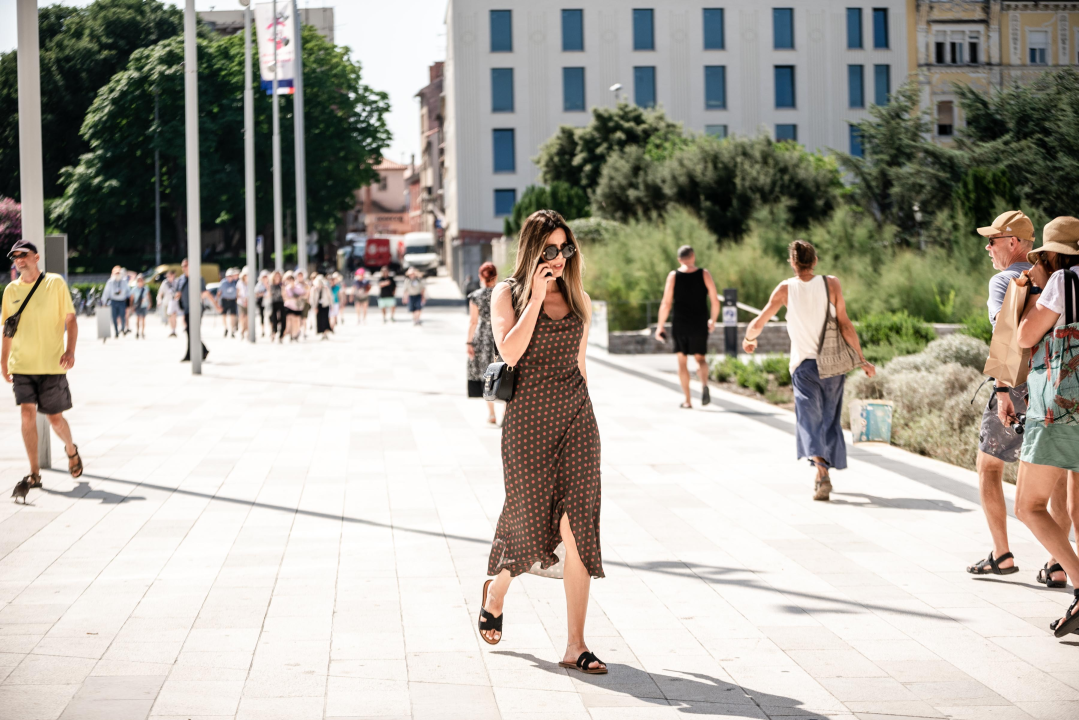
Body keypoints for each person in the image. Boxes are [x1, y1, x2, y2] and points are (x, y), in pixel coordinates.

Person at [479, 210, 607, 675]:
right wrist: (534, 297)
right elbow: (509, 352)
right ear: (533, 249)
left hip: (576, 420)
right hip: (529, 425)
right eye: (550, 249)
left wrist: (590, 417)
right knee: (529, 524)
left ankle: (576, 645)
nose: (558, 258)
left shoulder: (579, 299)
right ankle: (496, 591)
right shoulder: (505, 294)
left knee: (577, 530)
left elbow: (580, 363)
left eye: (565, 249)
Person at [964, 211, 1068, 583]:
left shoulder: (1004, 280)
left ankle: (1001, 553)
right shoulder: (1054, 279)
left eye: (992, 240)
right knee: (1055, 476)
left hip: (1016, 383)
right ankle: (1058, 564)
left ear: (1013, 242)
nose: (988, 247)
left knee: (988, 466)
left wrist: (1002, 388)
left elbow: (1005, 335)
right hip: (1056, 384)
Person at [743, 240, 875, 501]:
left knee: (808, 419)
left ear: (792, 263)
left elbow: (759, 322)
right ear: (814, 261)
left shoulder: (785, 289)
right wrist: (862, 359)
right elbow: (846, 325)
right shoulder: (831, 283)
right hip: (834, 366)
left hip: (804, 367)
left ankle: (822, 472)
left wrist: (749, 340)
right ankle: (821, 472)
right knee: (828, 418)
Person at [1015, 216, 1079, 638]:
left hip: (1062, 407)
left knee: (1028, 505)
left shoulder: (1063, 284)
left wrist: (1036, 288)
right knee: (1077, 510)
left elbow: (1024, 336)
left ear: (1053, 254)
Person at [1, 239, 83, 493]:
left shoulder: (55, 283)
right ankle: (34, 472)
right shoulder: (10, 291)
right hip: (22, 365)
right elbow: (8, 329)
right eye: (15, 256)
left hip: (52, 364)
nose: (18, 259)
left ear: (36, 258)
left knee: (54, 418)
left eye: (23, 255)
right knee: (26, 414)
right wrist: (3, 361)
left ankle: (71, 449)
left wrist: (70, 350)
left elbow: (70, 320)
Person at [654, 245, 720, 408]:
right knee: (701, 358)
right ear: (693, 257)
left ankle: (688, 400)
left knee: (682, 361)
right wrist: (713, 319)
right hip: (699, 323)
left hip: (680, 324)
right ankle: (704, 384)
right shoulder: (704, 274)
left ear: (679, 260)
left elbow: (666, 303)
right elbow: (714, 299)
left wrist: (660, 326)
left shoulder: (673, 275)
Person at [466, 261, 501, 424]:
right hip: (500, 335)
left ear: (481, 276)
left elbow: (473, 322)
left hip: (482, 337)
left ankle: (492, 414)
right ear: (496, 276)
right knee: (504, 372)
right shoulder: (503, 294)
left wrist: (469, 342)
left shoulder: (476, 296)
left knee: (486, 375)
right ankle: (507, 411)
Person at [176, 259, 218, 362]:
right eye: (183, 266)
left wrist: (216, 305)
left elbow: (205, 293)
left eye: (186, 265)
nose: (184, 268)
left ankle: (191, 354)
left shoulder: (198, 278)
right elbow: (177, 294)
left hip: (196, 310)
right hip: (186, 309)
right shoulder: (180, 280)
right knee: (189, 332)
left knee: (192, 332)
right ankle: (202, 350)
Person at [103, 265, 130, 338]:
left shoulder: (124, 281)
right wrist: (104, 302)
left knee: (122, 316)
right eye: (116, 273)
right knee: (114, 317)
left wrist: (128, 303)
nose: (117, 275)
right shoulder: (110, 282)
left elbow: (128, 292)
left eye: (119, 273)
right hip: (114, 301)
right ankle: (116, 331)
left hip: (122, 301)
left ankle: (123, 328)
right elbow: (106, 292)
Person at [217, 268, 240, 338]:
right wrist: (217, 302)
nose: (230, 277)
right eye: (228, 276)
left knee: (232, 316)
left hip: (232, 300)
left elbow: (238, 292)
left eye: (231, 276)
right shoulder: (223, 283)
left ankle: (232, 330)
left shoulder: (235, 282)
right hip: (225, 300)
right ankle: (226, 328)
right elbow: (219, 293)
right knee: (224, 315)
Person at [157, 269, 179, 337]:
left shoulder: (176, 282)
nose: (169, 277)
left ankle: (174, 330)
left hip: (174, 302)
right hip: (167, 302)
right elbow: (160, 293)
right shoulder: (165, 283)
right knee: (169, 317)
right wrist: (159, 300)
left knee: (174, 316)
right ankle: (172, 329)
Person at [130, 275, 151, 339]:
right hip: (137, 305)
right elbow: (132, 298)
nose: (140, 282)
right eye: (138, 280)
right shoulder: (134, 289)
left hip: (144, 305)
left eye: (141, 280)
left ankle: (142, 332)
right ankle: (137, 332)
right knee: (138, 319)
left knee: (143, 319)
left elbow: (148, 296)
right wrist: (131, 306)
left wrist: (149, 303)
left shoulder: (146, 288)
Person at [313, 274, 333, 338]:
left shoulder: (326, 288)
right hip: (318, 306)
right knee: (319, 319)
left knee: (325, 319)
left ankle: (325, 332)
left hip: (325, 305)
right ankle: (321, 332)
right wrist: (314, 307)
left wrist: (331, 305)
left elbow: (330, 297)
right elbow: (312, 299)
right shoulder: (314, 289)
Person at [268, 270, 285, 342]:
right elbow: (269, 294)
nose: (277, 277)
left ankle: (281, 335)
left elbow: (284, 295)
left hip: (281, 303)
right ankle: (273, 332)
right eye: (276, 276)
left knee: (283, 319)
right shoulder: (271, 285)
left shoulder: (282, 284)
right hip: (273, 303)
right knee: (273, 319)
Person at [255, 270, 269, 337]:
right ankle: (263, 330)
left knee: (270, 316)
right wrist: (262, 294)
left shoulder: (270, 283)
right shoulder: (259, 285)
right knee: (262, 316)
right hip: (261, 301)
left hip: (269, 301)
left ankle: (271, 330)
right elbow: (256, 294)